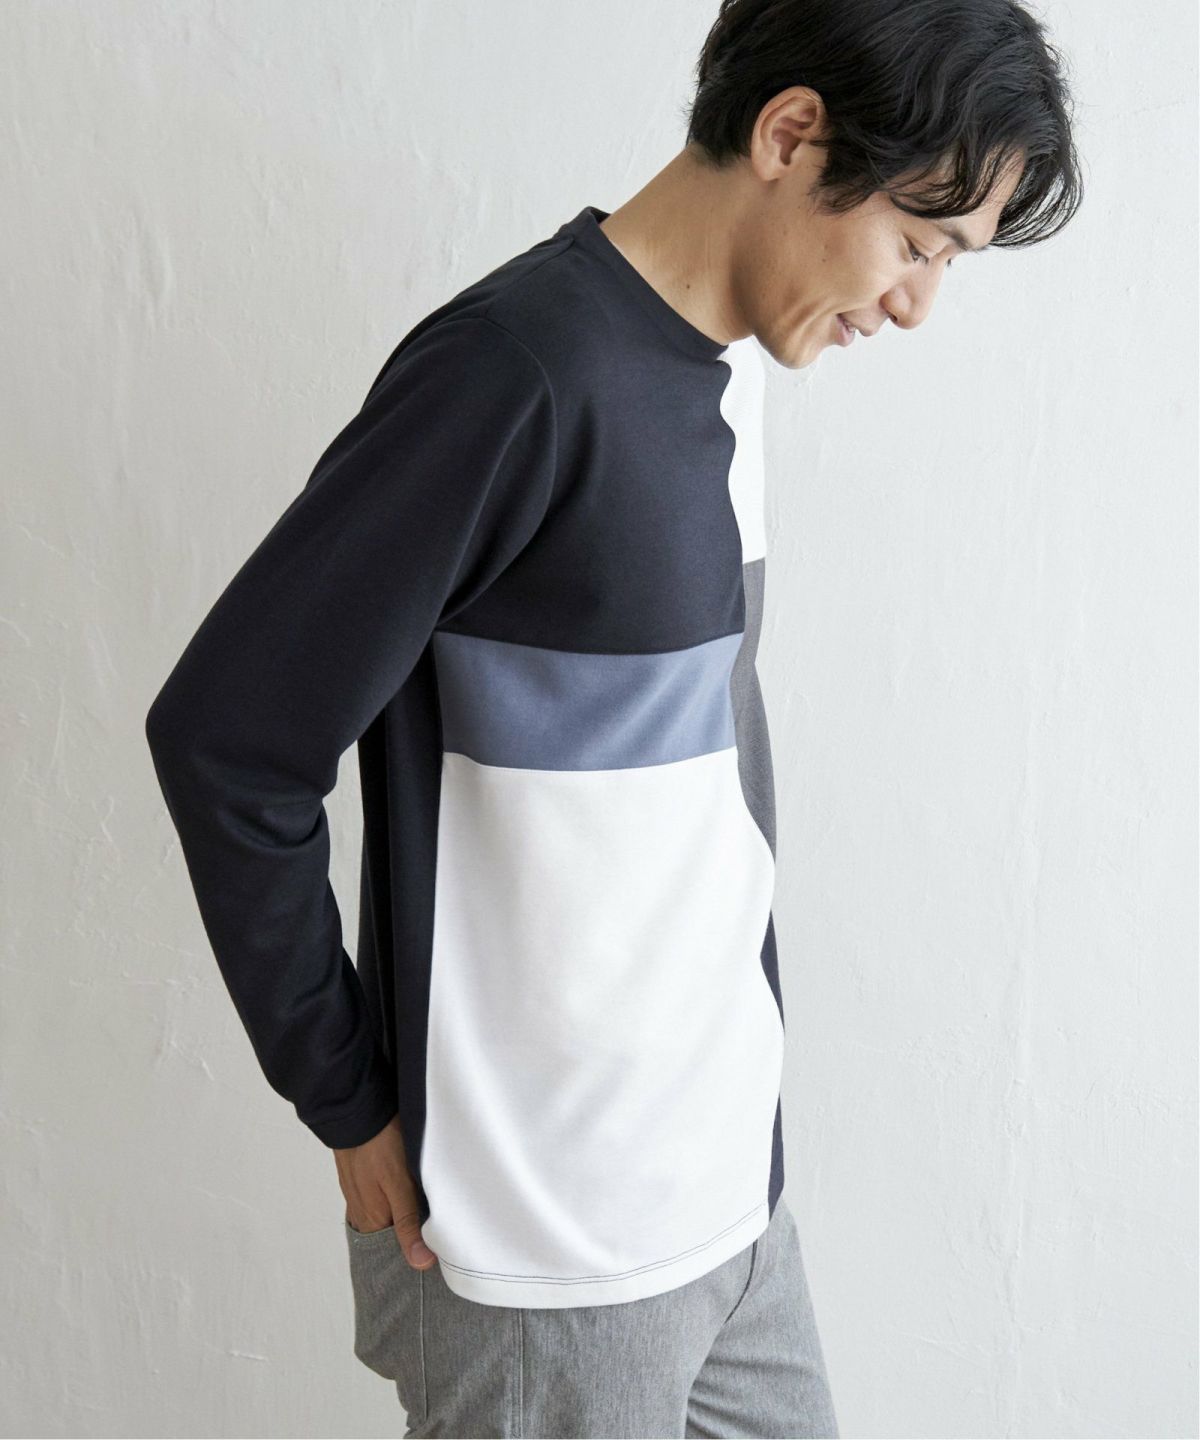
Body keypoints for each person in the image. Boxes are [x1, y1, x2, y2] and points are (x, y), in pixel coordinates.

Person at [144, 0, 1082, 1434]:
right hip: (544, 1258)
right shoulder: (513, 375)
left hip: (731, 1205)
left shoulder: (733, 368)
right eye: (918, 243)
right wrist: (342, 1096)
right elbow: (228, 740)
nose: (916, 305)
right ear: (791, 135)